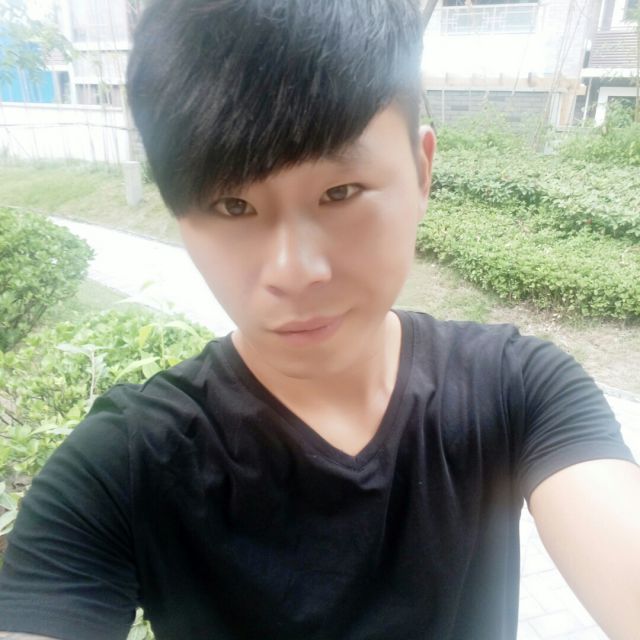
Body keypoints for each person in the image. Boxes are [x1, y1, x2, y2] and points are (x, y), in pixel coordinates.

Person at [0, 0, 638, 638]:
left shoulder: (519, 391)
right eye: (231, 205)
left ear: (421, 172)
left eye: (339, 192)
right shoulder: (123, 468)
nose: (294, 271)